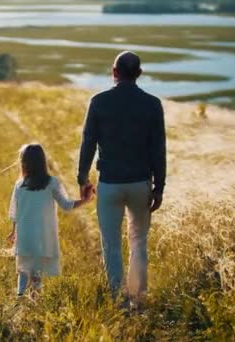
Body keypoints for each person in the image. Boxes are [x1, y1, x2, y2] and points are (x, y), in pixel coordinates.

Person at [76, 51, 166, 310]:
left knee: (111, 243)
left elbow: (88, 143)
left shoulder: (99, 102)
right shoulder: (152, 104)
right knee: (138, 241)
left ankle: (118, 299)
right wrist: (159, 187)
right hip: (140, 184)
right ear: (139, 73)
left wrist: (83, 178)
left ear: (114, 72)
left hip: (110, 184)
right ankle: (139, 297)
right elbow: (158, 150)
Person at [7, 144, 93, 299]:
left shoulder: (19, 185)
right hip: (43, 236)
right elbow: (66, 205)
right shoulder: (52, 183)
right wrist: (85, 200)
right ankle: (35, 300)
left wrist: (13, 232)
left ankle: (19, 296)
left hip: (25, 234)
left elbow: (15, 211)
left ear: (24, 163)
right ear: (42, 162)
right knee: (37, 272)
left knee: (23, 268)